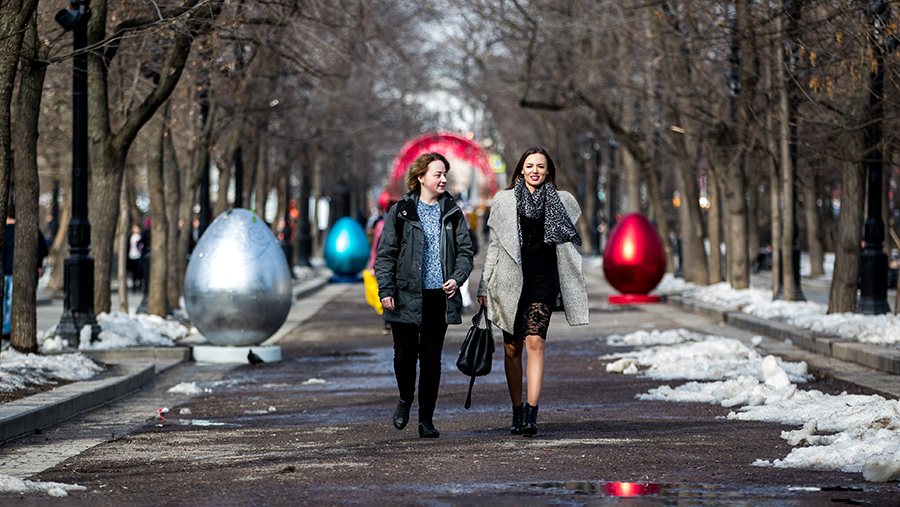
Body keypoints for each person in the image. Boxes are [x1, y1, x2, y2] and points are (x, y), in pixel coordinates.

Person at [477, 146, 589, 437]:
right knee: (512, 349)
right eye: (529, 166)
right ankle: (515, 410)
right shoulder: (504, 201)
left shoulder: (561, 201)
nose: (535, 171)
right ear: (521, 169)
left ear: (548, 170)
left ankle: (531, 412)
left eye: (540, 166)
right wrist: (483, 285)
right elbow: (495, 247)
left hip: (542, 280)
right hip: (508, 282)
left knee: (535, 342)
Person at [374, 152, 473, 438]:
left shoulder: (452, 212)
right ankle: (406, 397)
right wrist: (386, 291)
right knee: (404, 357)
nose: (443, 179)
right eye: (437, 174)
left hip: (438, 298)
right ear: (420, 177)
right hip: (404, 295)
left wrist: (457, 278)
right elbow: (386, 255)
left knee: (431, 359)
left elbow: (465, 252)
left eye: (445, 174)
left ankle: (426, 420)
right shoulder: (401, 211)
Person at [3, 203, 49, 340]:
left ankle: (4, 325)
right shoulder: (26, 230)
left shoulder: (3, 230)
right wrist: (38, 265)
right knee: (13, 300)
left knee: (4, 299)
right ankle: (9, 327)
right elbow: (43, 249)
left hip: (4, 269)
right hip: (18, 270)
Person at [369, 199, 396, 335]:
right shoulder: (381, 225)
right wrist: (373, 265)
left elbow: (375, 247)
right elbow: (376, 246)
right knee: (387, 290)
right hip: (385, 263)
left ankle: (390, 322)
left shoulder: (384, 224)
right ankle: (387, 321)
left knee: (389, 291)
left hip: (392, 264)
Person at [127, 224, 143, 292]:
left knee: (138, 271)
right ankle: (134, 285)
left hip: (138, 256)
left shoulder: (140, 237)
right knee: (133, 272)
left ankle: (138, 284)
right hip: (132, 255)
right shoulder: (131, 237)